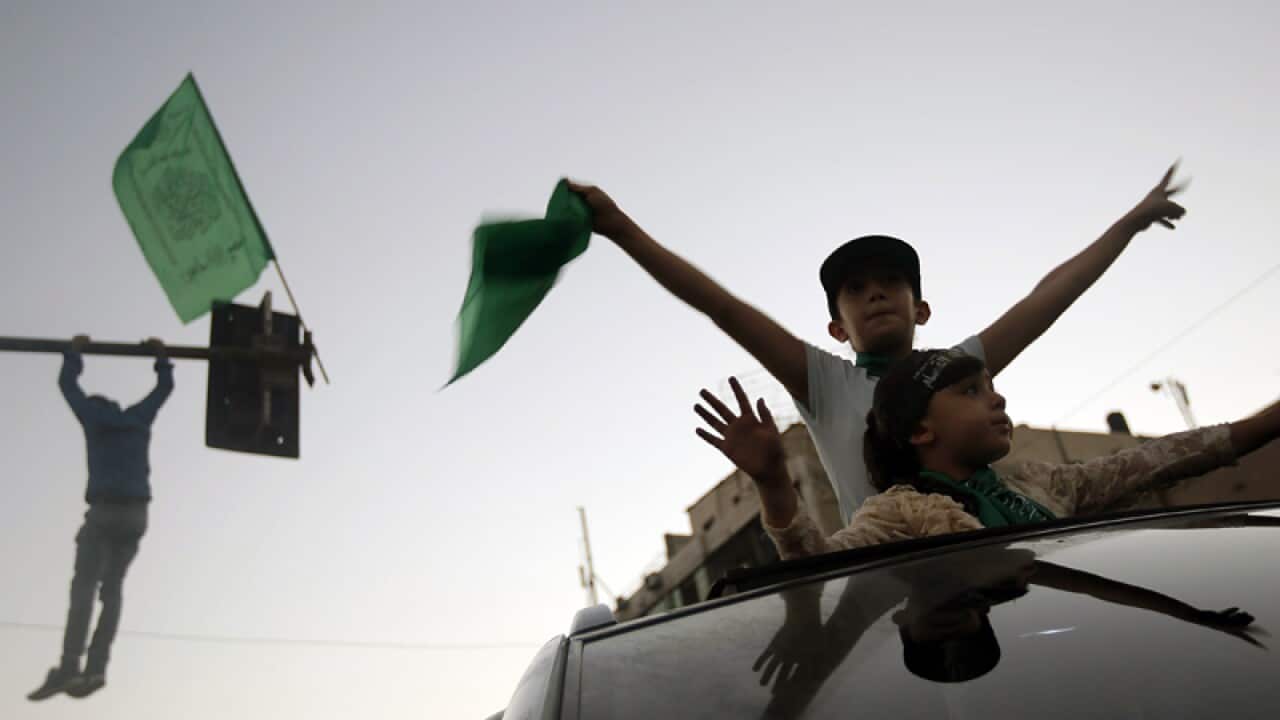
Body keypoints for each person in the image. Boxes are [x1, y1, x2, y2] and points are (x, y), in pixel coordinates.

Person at [569, 164, 1187, 521]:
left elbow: (1049, 296)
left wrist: (1128, 224)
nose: (876, 294)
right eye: (856, 289)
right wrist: (621, 227)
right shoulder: (825, 382)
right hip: (886, 586)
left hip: (995, 557)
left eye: (892, 282)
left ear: (920, 308)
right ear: (838, 329)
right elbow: (722, 307)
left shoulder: (956, 369)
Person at [693, 349, 1280, 559]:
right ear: (920, 431)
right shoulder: (896, 515)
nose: (997, 401)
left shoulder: (1040, 484)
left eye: (993, 387)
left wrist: (1261, 425)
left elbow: (1168, 458)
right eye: (971, 391)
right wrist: (773, 483)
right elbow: (815, 571)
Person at [28, 335, 174, 702]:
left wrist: (74, 351)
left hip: (106, 511)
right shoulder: (138, 419)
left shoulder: (93, 419)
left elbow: (67, 385)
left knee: (84, 588)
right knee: (112, 592)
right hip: (137, 515)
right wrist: (160, 356)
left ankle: (70, 665)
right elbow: (165, 387)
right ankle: (97, 668)